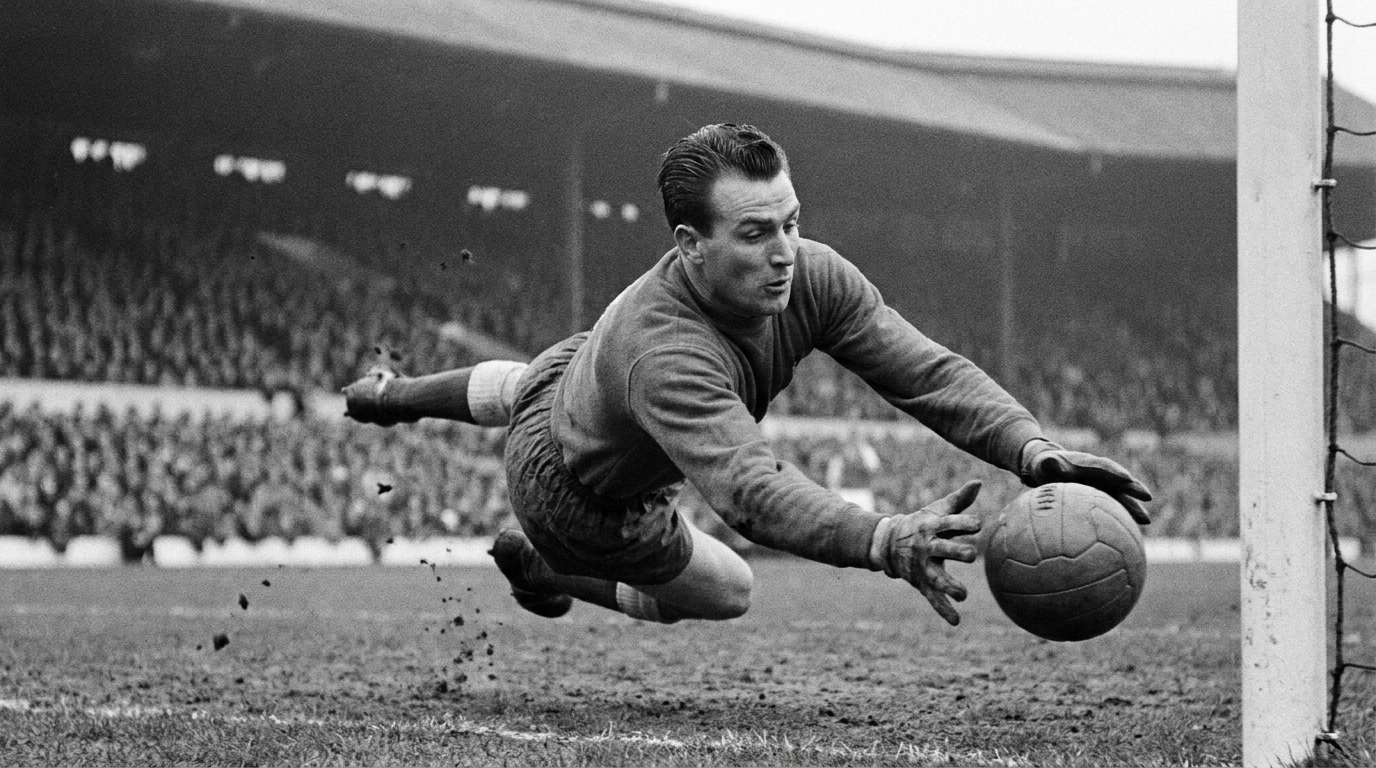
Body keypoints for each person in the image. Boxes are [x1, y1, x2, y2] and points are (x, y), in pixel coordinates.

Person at [343, 123, 1152, 626]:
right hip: (580, 499)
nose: (785, 252)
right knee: (729, 591)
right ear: (690, 244)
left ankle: (392, 398)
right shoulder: (670, 356)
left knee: (529, 383)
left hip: (572, 381)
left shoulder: (812, 275)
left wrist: (1030, 448)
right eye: (757, 232)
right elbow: (750, 488)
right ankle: (542, 563)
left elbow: (925, 370)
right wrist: (881, 538)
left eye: (792, 221)